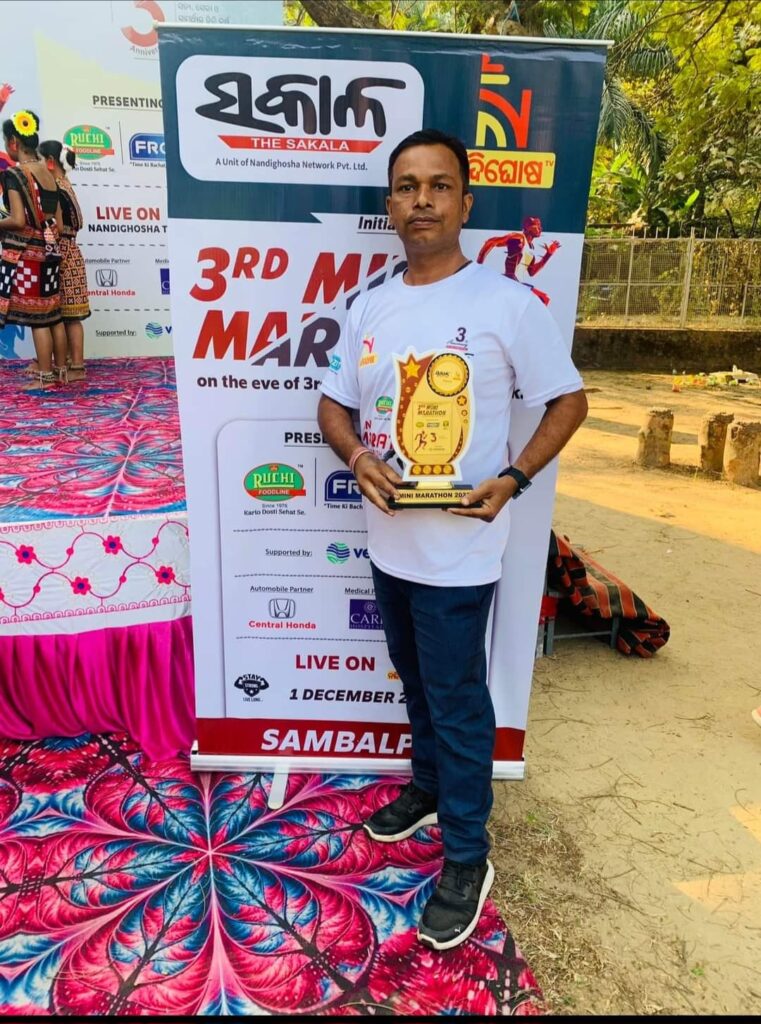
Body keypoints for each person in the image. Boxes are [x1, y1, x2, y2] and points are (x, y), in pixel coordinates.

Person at [318, 128, 588, 951]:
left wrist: (513, 478)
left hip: (460, 553)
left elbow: (568, 400)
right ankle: (428, 788)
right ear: (389, 205)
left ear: (465, 203)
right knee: (417, 683)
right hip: (388, 544)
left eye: (438, 185)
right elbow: (332, 405)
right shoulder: (370, 305)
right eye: (406, 186)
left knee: (459, 702)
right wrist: (357, 456)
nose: (422, 200)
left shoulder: (505, 304)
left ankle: (467, 856)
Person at [0, 109, 64, 389]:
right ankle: (58, 371)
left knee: (38, 319)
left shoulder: (15, 174)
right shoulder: (48, 173)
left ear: (14, 142)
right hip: (49, 253)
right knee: (50, 315)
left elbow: (16, 220)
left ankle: (45, 377)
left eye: (5, 142)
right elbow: (58, 223)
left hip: (27, 256)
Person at [39, 140, 90, 380]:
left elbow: (56, 227)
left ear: (50, 162)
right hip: (71, 250)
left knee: (69, 316)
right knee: (69, 315)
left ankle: (76, 366)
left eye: (40, 160)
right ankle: (69, 361)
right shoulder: (65, 184)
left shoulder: (54, 188)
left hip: (62, 252)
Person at [476, 215, 560, 306]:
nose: (540, 228)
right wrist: (478, 265)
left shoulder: (530, 249)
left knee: (543, 300)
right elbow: (491, 242)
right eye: (537, 225)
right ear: (528, 227)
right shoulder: (518, 238)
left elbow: (532, 272)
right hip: (510, 282)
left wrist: (548, 255)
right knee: (543, 299)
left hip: (517, 285)